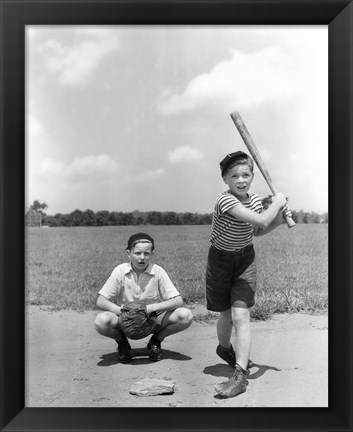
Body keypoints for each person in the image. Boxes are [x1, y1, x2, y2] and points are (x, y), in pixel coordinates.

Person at [206, 150, 292, 398]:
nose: (240, 180)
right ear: (225, 179)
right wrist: (276, 204)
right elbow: (262, 220)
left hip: (245, 259)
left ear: (253, 176)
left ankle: (240, 375)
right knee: (226, 316)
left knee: (241, 315)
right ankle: (224, 349)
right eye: (234, 176)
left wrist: (279, 218)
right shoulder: (225, 201)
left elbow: (258, 230)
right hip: (220, 262)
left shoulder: (254, 201)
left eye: (245, 174)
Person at [94, 232, 193, 363]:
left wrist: (152, 308)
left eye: (146, 253)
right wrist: (123, 312)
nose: (142, 258)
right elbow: (101, 300)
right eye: (137, 253)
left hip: (152, 318)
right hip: (124, 319)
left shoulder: (158, 271)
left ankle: (156, 341)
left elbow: (177, 300)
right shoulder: (120, 271)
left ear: (152, 253)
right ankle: (122, 343)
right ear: (128, 253)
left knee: (185, 316)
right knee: (101, 321)